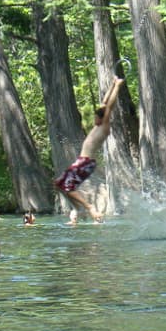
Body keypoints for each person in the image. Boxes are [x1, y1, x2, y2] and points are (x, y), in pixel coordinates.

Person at [54, 77, 125, 222]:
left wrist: (117, 86)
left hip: (85, 162)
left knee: (68, 187)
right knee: (58, 184)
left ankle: (89, 207)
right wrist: (111, 85)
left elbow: (109, 107)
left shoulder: (104, 126)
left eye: (96, 118)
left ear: (101, 118)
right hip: (82, 161)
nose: (94, 120)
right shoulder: (98, 126)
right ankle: (78, 208)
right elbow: (104, 103)